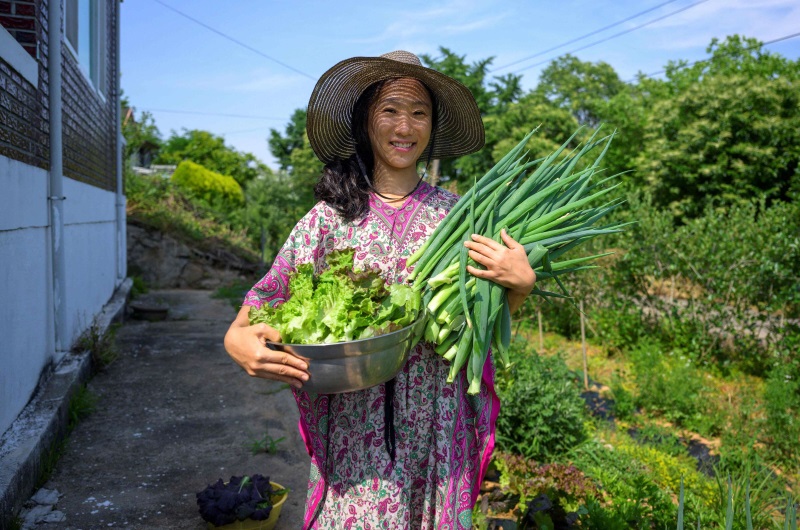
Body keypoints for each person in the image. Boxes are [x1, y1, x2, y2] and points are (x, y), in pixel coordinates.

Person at [224, 50, 535, 529]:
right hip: (354, 434)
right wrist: (238, 341)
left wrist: (518, 287)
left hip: (438, 427)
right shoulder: (329, 218)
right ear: (366, 122)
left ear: (432, 126)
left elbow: (483, 321)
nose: (404, 126)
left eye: (419, 112)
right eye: (389, 110)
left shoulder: (461, 218)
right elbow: (259, 305)